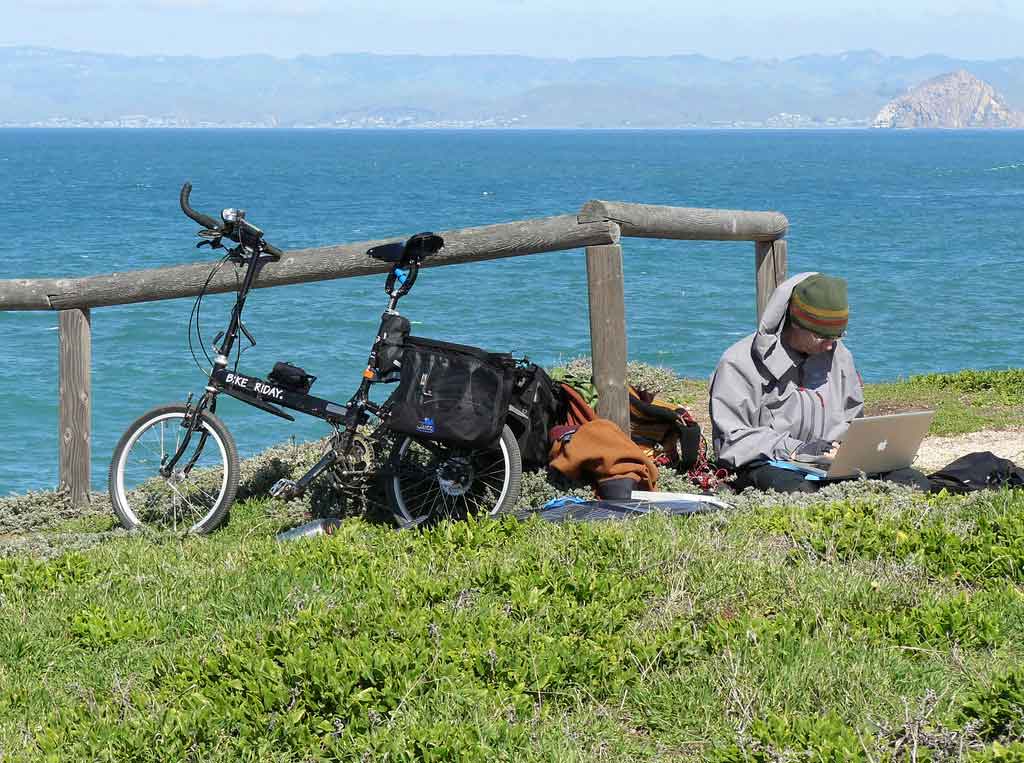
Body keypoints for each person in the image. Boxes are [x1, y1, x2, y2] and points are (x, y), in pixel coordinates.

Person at [709, 272, 930, 493]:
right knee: (802, 493)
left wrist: (847, 451)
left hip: (828, 464)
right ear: (796, 323)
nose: (829, 346)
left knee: (914, 483)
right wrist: (799, 450)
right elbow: (732, 439)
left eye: (837, 336)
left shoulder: (839, 355)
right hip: (771, 463)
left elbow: (853, 419)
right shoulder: (738, 363)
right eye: (822, 337)